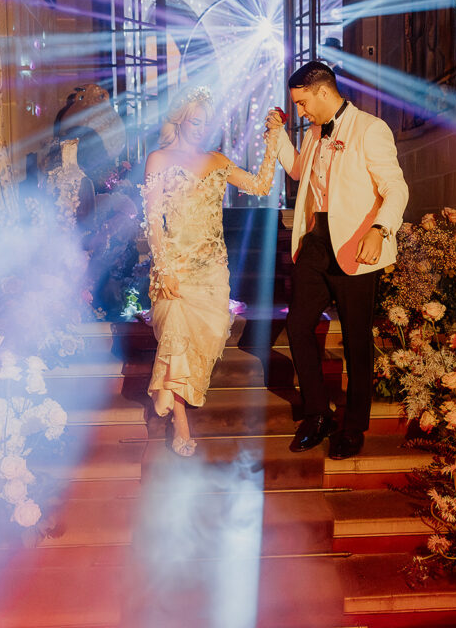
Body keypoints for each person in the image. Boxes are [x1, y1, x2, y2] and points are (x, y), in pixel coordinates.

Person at [266, 61, 408, 460]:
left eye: (303, 103)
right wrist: (277, 137)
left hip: (357, 242)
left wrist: (380, 229)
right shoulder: (313, 131)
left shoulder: (370, 128)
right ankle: (317, 414)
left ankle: (353, 425)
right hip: (316, 240)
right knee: (297, 325)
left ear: (324, 92)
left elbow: (395, 187)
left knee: (357, 339)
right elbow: (298, 170)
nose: (301, 111)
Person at [142, 86, 280, 456]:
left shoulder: (218, 160)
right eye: (195, 120)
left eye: (207, 121)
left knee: (207, 338)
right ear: (181, 119)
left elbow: (261, 186)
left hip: (212, 270)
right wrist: (164, 268)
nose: (201, 127)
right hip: (175, 267)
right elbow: (153, 220)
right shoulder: (159, 158)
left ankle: (175, 395)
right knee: (175, 333)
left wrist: (274, 141)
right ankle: (181, 422)